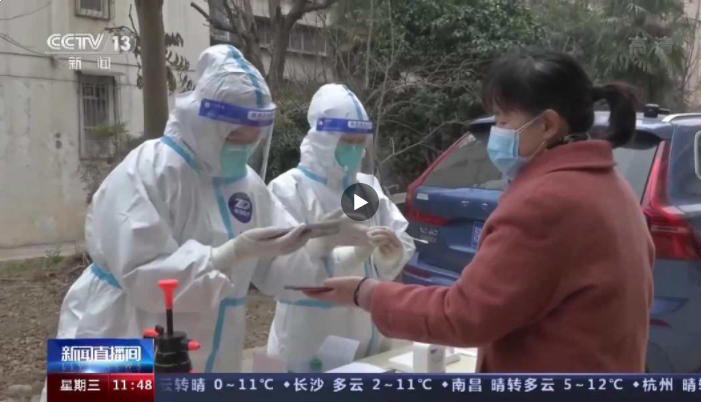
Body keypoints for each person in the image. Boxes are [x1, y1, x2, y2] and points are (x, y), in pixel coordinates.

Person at [304, 49, 656, 372]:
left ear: (548, 125)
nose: (496, 132)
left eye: (503, 120)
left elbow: (464, 314)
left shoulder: (547, 200)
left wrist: (371, 282)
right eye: (345, 142)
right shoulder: (612, 187)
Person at [51, 45, 369, 375]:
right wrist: (225, 256)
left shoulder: (248, 184)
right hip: (119, 330)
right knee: (101, 395)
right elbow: (141, 277)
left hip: (213, 349)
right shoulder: (148, 170)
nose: (244, 147)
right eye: (235, 136)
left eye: (253, 138)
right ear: (205, 123)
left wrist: (318, 249)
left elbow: (274, 270)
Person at [266, 84, 416, 372]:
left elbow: (401, 238)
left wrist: (390, 257)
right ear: (323, 139)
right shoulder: (289, 190)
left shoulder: (363, 187)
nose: (355, 150)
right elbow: (280, 275)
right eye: (347, 141)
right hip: (312, 340)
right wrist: (345, 254)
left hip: (371, 336)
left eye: (360, 142)